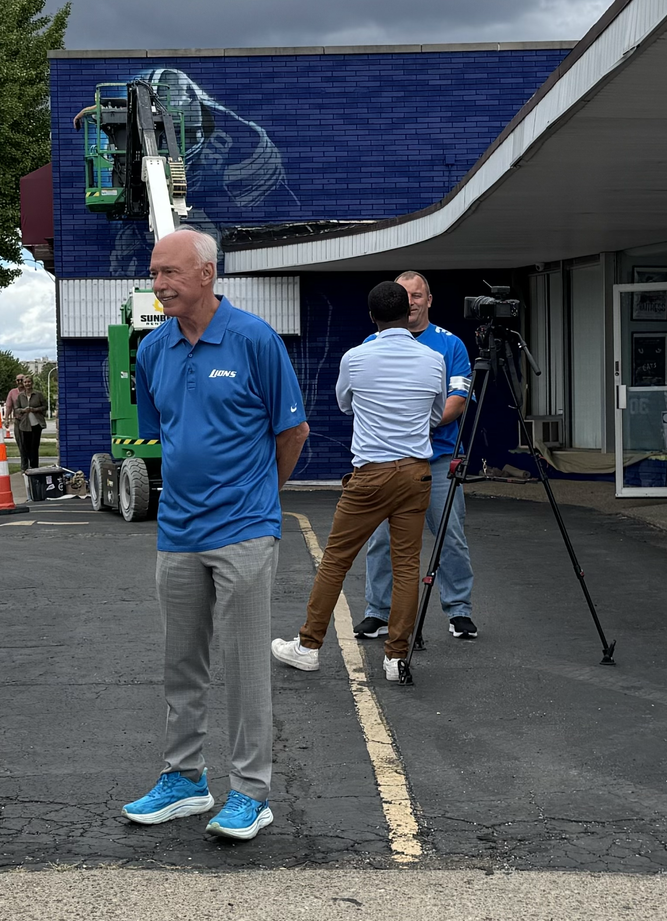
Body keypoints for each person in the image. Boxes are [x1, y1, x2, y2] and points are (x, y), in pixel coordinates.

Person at [118, 229, 308, 842]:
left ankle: (251, 792)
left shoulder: (254, 339)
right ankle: (186, 781)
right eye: (154, 273)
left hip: (245, 531)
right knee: (181, 663)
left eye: (170, 273)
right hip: (177, 532)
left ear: (207, 274)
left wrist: (261, 500)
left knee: (244, 664)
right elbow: (169, 435)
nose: (159, 284)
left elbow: (292, 433)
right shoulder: (152, 351)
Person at [272, 281, 447, 686]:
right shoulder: (434, 359)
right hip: (417, 472)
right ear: (410, 312)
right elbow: (436, 413)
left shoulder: (355, 357)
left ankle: (309, 646)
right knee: (407, 566)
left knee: (336, 560)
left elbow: (345, 403)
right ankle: (396, 658)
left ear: (372, 317)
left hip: (370, 474)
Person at [359, 270, 477, 642]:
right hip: (389, 461)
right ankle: (377, 612)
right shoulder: (371, 343)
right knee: (381, 539)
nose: (411, 302)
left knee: (450, 536)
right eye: (404, 295)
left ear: (429, 300)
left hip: (438, 460)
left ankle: (459, 610)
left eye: (417, 295)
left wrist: (419, 427)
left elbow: (458, 400)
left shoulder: (451, 345)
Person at [9, 370, 49, 482]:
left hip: (36, 423)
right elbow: (16, 409)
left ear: (32, 383)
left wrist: (35, 409)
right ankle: (26, 468)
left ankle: (35, 467)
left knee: (34, 446)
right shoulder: (20, 397)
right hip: (24, 424)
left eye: (29, 382)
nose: (27, 384)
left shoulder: (38, 394)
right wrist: (23, 410)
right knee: (25, 447)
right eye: (25, 382)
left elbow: (44, 406)